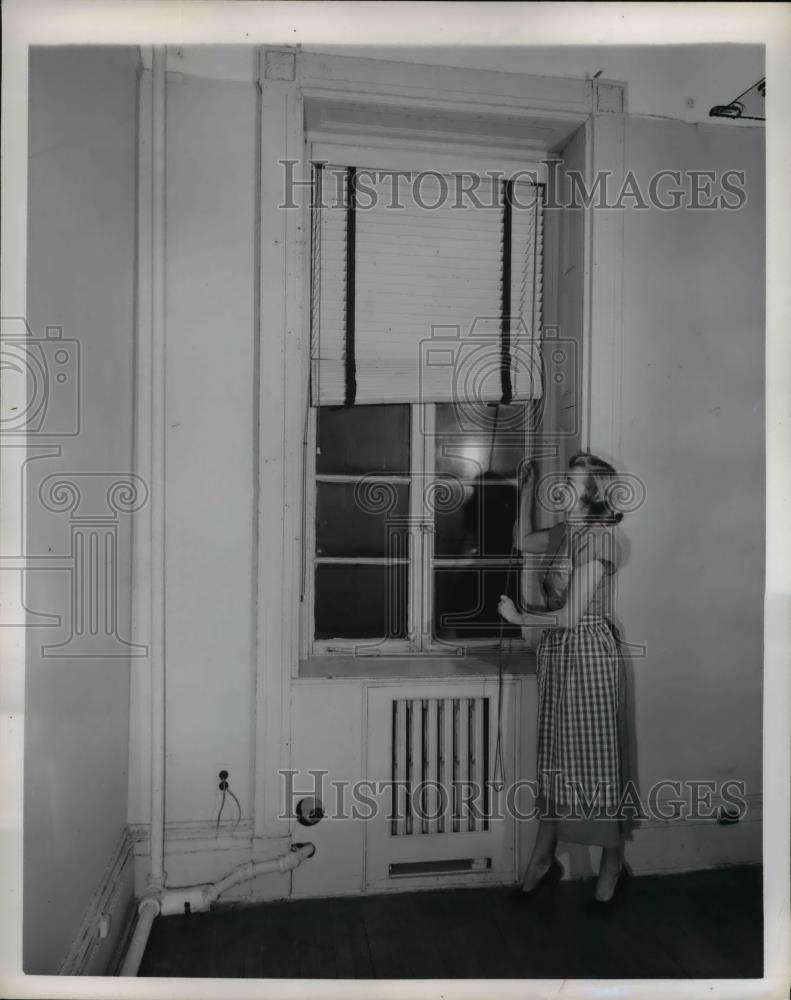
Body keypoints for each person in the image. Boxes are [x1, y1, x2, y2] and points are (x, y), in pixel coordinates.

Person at [497, 450, 633, 910]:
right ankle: (544, 858)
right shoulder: (564, 533)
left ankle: (612, 860)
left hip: (590, 654)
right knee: (557, 757)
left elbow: (574, 615)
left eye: (572, 482)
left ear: (594, 493)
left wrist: (521, 615)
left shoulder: (599, 540)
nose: (564, 487)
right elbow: (520, 541)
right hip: (559, 655)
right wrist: (527, 489)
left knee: (594, 762)